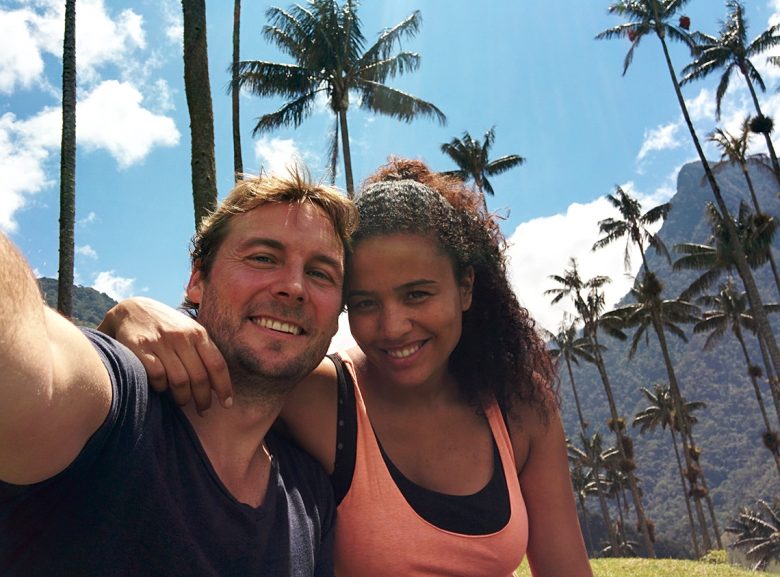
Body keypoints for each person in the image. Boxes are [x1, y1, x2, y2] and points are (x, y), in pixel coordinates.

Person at [105, 158, 594, 577]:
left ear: (465, 287)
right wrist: (128, 314)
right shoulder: (318, 395)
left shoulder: (517, 407)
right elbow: (231, 345)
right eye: (364, 302)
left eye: (417, 294)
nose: (393, 326)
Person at [0, 169, 357, 576]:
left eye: (320, 273)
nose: (294, 286)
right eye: (263, 257)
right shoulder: (118, 408)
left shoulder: (310, 497)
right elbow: (30, 355)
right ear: (197, 280)